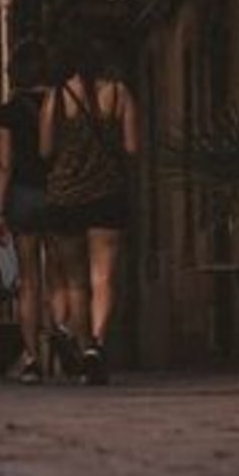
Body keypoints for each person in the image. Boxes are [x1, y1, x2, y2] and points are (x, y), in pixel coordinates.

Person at [40, 56, 140, 385]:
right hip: (107, 193)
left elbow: (45, 150)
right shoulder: (119, 94)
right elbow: (132, 146)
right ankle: (97, 344)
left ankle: (82, 347)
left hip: (65, 196)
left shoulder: (56, 97)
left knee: (75, 283)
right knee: (103, 277)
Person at [0, 86, 68, 384]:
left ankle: (33, 357)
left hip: (23, 195)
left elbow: (4, 163)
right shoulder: (63, 103)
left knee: (29, 280)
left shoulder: (8, 114)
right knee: (59, 273)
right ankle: (62, 334)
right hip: (58, 192)